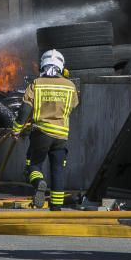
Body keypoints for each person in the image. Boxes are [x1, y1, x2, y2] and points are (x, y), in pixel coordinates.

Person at [12, 49, 79, 211]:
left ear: (42, 65)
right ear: (62, 67)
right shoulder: (70, 86)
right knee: (58, 170)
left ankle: (39, 183)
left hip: (41, 133)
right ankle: (56, 207)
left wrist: (16, 129)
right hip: (62, 136)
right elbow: (73, 106)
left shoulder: (36, 84)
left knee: (34, 165)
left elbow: (24, 111)